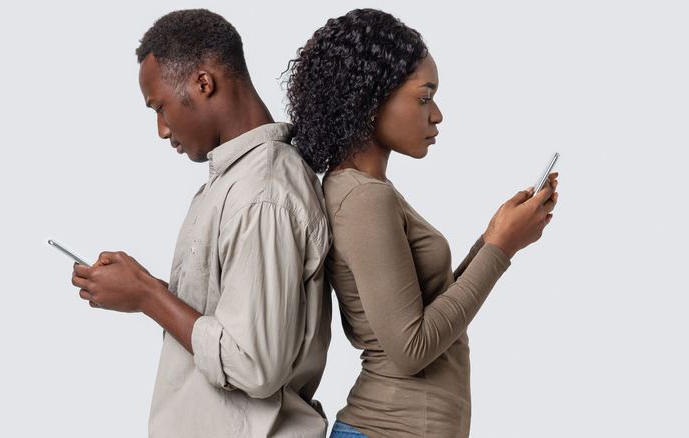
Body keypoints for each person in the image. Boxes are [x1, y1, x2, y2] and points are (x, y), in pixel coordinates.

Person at [286, 9, 558, 438]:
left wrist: (494, 238)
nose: (437, 115)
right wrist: (500, 250)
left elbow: (431, 307)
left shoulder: (364, 190)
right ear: (371, 100)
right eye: (424, 97)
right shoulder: (363, 198)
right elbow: (412, 348)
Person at [71, 9, 332, 437]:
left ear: (203, 83)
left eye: (160, 107)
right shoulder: (235, 182)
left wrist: (147, 295)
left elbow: (253, 363)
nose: (161, 128)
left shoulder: (261, 194)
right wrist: (139, 286)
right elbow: (232, 317)